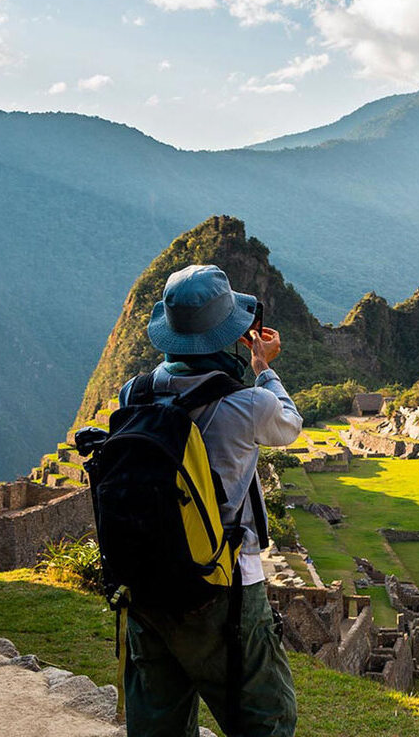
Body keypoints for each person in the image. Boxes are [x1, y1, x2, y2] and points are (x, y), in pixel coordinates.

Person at [119, 264, 301, 737]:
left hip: (145, 580)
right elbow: (289, 423)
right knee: (266, 716)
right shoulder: (248, 406)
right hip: (223, 584)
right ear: (228, 334)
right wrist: (263, 367)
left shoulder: (133, 394)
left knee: (157, 720)